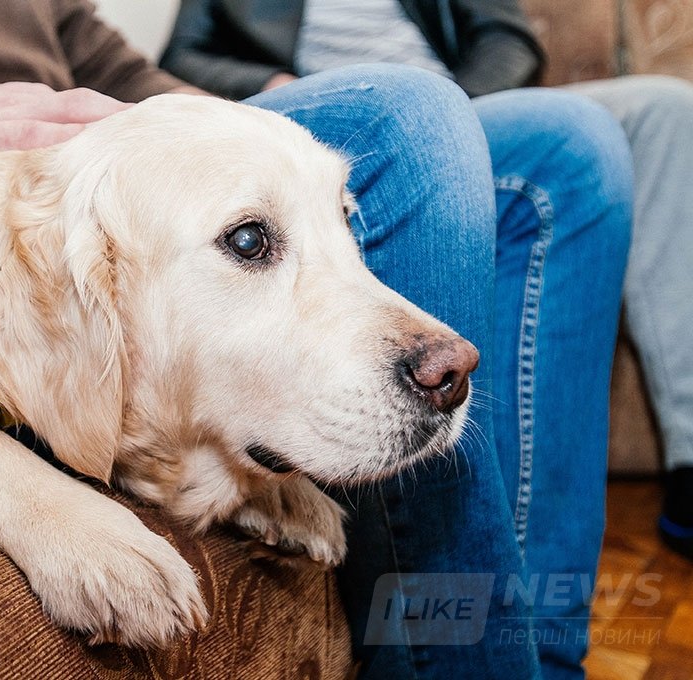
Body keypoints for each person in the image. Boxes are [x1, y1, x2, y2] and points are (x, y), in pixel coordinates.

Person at [0, 1, 632, 678]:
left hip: (102, 150)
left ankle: (544, 664)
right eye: (250, 245)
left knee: (571, 152)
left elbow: (113, 69)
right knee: (410, 113)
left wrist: (230, 146)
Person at [161, 0, 693, 564]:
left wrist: (456, 110)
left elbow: (507, 38)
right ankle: (442, 607)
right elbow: (182, 56)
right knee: (425, 111)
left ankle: (677, 468)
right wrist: (272, 82)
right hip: (323, 115)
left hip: (456, 96)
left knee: (651, 114)